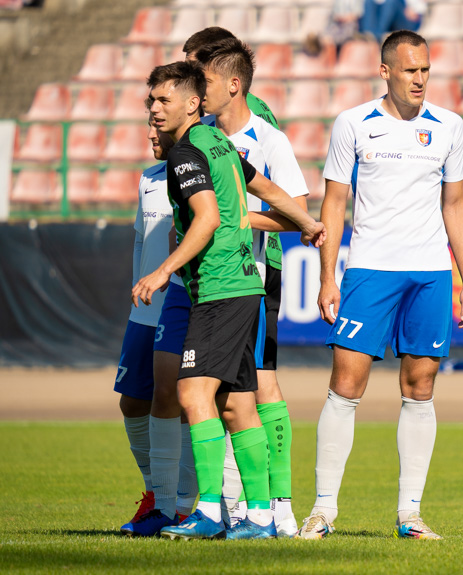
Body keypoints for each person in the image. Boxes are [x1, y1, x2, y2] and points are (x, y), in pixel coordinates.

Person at [297, 30, 463, 540]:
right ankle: (324, 511)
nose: (420, 79)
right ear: (386, 71)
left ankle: (410, 515)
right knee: (345, 385)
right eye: (410, 70)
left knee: (420, 388)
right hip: (370, 271)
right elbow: (333, 203)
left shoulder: (450, 126)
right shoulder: (353, 123)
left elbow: (455, 205)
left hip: (430, 273)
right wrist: (328, 275)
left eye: (425, 70)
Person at [132, 61, 325, 541]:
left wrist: (162, 270)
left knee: (192, 393)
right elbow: (261, 186)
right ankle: (260, 516)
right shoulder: (219, 142)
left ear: (193, 103)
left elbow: (206, 218)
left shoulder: (186, 153)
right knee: (239, 404)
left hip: (218, 289)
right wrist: (306, 221)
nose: (155, 109)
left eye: (164, 100)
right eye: (151, 101)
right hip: (247, 286)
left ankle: (212, 510)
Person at [195, 37, 311, 538]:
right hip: (205, 283)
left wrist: (245, 219)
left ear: (233, 84)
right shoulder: (201, 136)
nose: (197, 92)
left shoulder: (268, 139)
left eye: (204, 81)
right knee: (220, 392)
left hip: (252, 282)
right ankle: (236, 504)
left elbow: (299, 213)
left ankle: (278, 507)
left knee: (259, 385)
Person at [114, 111, 179, 535]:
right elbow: (142, 237)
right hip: (145, 311)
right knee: (132, 402)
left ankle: (188, 502)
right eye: (149, 124)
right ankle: (156, 493)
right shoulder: (149, 178)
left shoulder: (198, 173)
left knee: (183, 405)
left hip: (183, 304)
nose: (151, 133)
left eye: (158, 126)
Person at [360, 0, 425, 42]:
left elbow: (419, 9)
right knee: (369, 2)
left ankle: (376, 37)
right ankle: (369, 35)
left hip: (408, 19)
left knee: (392, 1)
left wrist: (415, 10)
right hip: (389, 20)